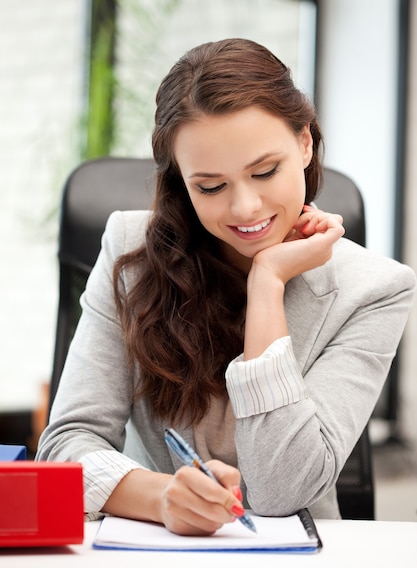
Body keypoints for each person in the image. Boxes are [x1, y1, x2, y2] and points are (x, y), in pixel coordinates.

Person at [36, 38, 416, 535]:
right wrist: (161, 498)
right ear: (181, 181)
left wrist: (267, 285)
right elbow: (68, 442)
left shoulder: (376, 289)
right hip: (151, 554)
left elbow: (281, 491)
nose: (245, 209)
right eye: (210, 187)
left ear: (304, 144)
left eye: (265, 171)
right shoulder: (131, 251)